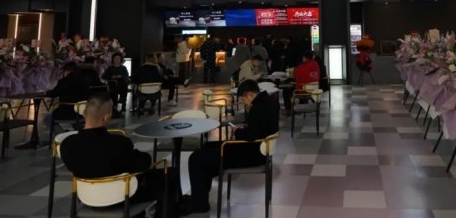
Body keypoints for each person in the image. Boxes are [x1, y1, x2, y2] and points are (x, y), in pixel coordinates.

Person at [60, 92, 183, 217]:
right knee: (170, 175)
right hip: (120, 198)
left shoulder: (67, 145)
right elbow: (143, 164)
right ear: (106, 117)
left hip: (87, 197)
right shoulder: (118, 143)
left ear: (84, 114)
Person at [187, 79, 279, 214]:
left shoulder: (258, 108)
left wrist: (237, 131)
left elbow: (251, 135)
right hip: (258, 149)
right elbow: (258, 130)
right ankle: (200, 197)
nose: (244, 102)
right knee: (208, 146)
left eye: (243, 99)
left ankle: (200, 204)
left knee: (196, 158)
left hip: (251, 154)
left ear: (249, 95)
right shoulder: (268, 102)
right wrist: (243, 130)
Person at [44, 61, 90, 132]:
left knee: (47, 119)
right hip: (82, 112)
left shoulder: (64, 81)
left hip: (66, 112)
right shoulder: (85, 80)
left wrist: (47, 92)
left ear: (67, 71)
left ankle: (61, 134)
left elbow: (54, 93)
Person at [281, 50, 321, 115]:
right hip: (314, 88)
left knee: (286, 91)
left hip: (304, 89)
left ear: (305, 58)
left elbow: (296, 73)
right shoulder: (315, 64)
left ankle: (289, 110)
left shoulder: (305, 66)